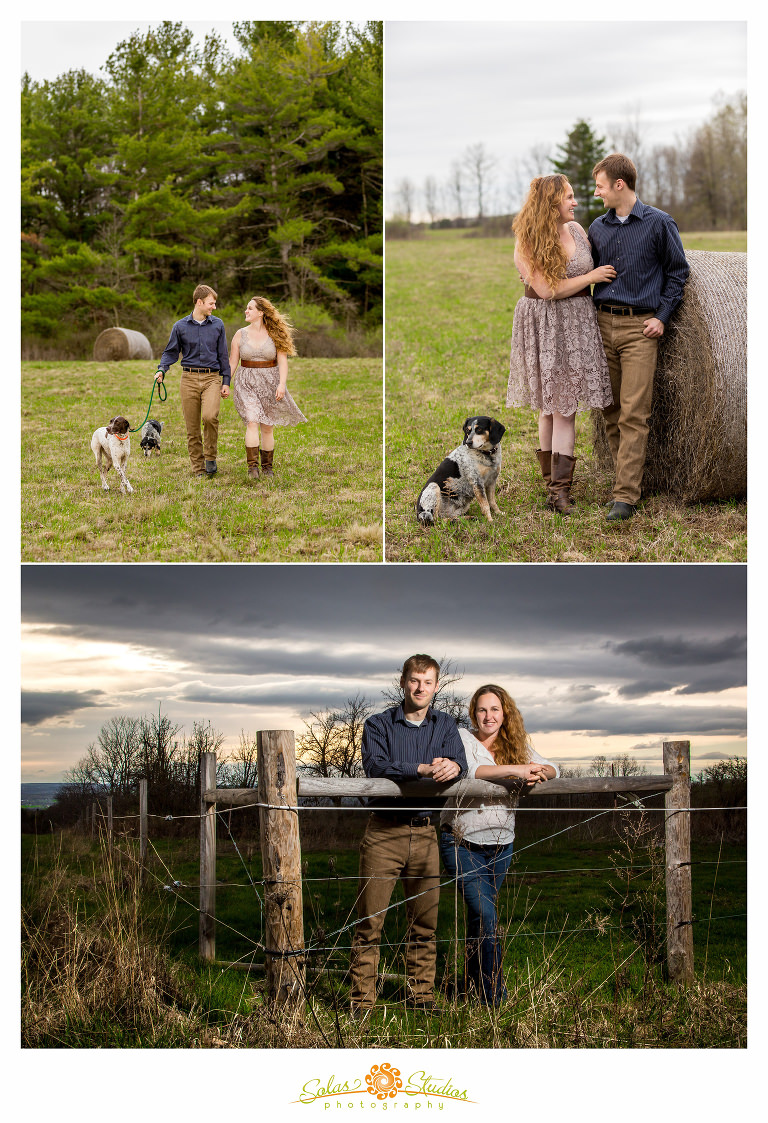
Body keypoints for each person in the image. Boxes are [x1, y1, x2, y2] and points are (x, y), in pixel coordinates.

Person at [349, 655, 468, 1017]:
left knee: (425, 924)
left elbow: (459, 763)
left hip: (426, 833)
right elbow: (377, 765)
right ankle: (361, 1002)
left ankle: (421, 998)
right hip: (385, 832)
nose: (421, 688)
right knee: (370, 922)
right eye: (415, 680)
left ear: (437, 686)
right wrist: (420, 768)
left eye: (428, 682)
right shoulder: (379, 724)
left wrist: (455, 765)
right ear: (403, 682)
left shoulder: (446, 726)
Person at [440, 684, 558, 1007]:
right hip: (461, 840)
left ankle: (473, 991)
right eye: (482, 709)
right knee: (487, 915)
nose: (488, 716)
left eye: (495, 709)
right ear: (473, 713)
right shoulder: (463, 738)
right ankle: (495, 997)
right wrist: (516, 770)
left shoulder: (516, 745)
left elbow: (552, 767)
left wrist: (537, 771)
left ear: (505, 713)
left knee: (480, 920)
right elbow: (473, 770)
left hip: (501, 845)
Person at [506, 175, 616, 514]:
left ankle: (554, 486)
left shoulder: (579, 231)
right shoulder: (528, 239)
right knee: (557, 408)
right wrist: (592, 278)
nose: (575, 202)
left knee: (558, 407)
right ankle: (557, 492)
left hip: (578, 321)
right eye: (568, 197)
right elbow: (548, 290)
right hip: (545, 323)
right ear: (551, 202)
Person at [590, 153, 690, 521]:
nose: (597, 192)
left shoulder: (659, 224)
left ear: (620, 184)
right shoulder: (596, 229)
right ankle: (625, 481)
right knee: (610, 411)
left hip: (639, 330)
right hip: (601, 326)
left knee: (634, 413)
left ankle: (625, 497)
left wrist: (662, 317)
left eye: (601, 185)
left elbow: (679, 273)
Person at [154, 284, 231, 477]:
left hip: (212, 378)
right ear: (199, 302)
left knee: (210, 417)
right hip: (188, 379)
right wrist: (162, 370)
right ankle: (198, 469)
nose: (214, 307)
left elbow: (223, 354)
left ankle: (210, 457)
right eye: (211, 303)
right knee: (192, 427)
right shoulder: (179, 326)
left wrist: (226, 381)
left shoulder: (218, 325)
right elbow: (170, 352)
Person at [228, 297, 307, 480]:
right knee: (252, 421)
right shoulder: (240, 334)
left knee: (267, 426)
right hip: (246, 382)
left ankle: (267, 467)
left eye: (250, 308)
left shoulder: (275, 334)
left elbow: (283, 362)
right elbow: (232, 362)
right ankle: (252, 468)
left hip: (270, 382)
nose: (246, 311)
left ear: (261, 312)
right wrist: (225, 382)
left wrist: (281, 384)